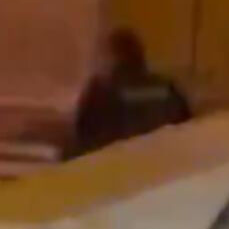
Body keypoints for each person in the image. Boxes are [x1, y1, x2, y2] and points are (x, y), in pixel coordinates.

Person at [74, 27, 192, 155]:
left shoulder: (101, 89)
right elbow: (186, 128)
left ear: (111, 57)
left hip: (115, 165)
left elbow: (83, 135)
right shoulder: (167, 87)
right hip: (163, 164)